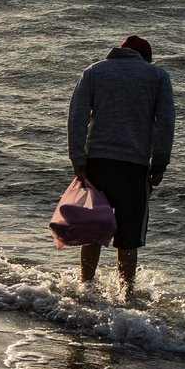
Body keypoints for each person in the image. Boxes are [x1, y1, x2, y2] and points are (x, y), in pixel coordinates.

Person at [67, 34, 176, 292]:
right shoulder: (157, 76)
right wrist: (160, 162)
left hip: (97, 163)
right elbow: (166, 124)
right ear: (145, 58)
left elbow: (77, 116)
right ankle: (127, 295)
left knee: (93, 231)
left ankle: (86, 288)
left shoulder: (94, 72)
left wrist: (77, 157)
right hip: (134, 168)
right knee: (128, 238)